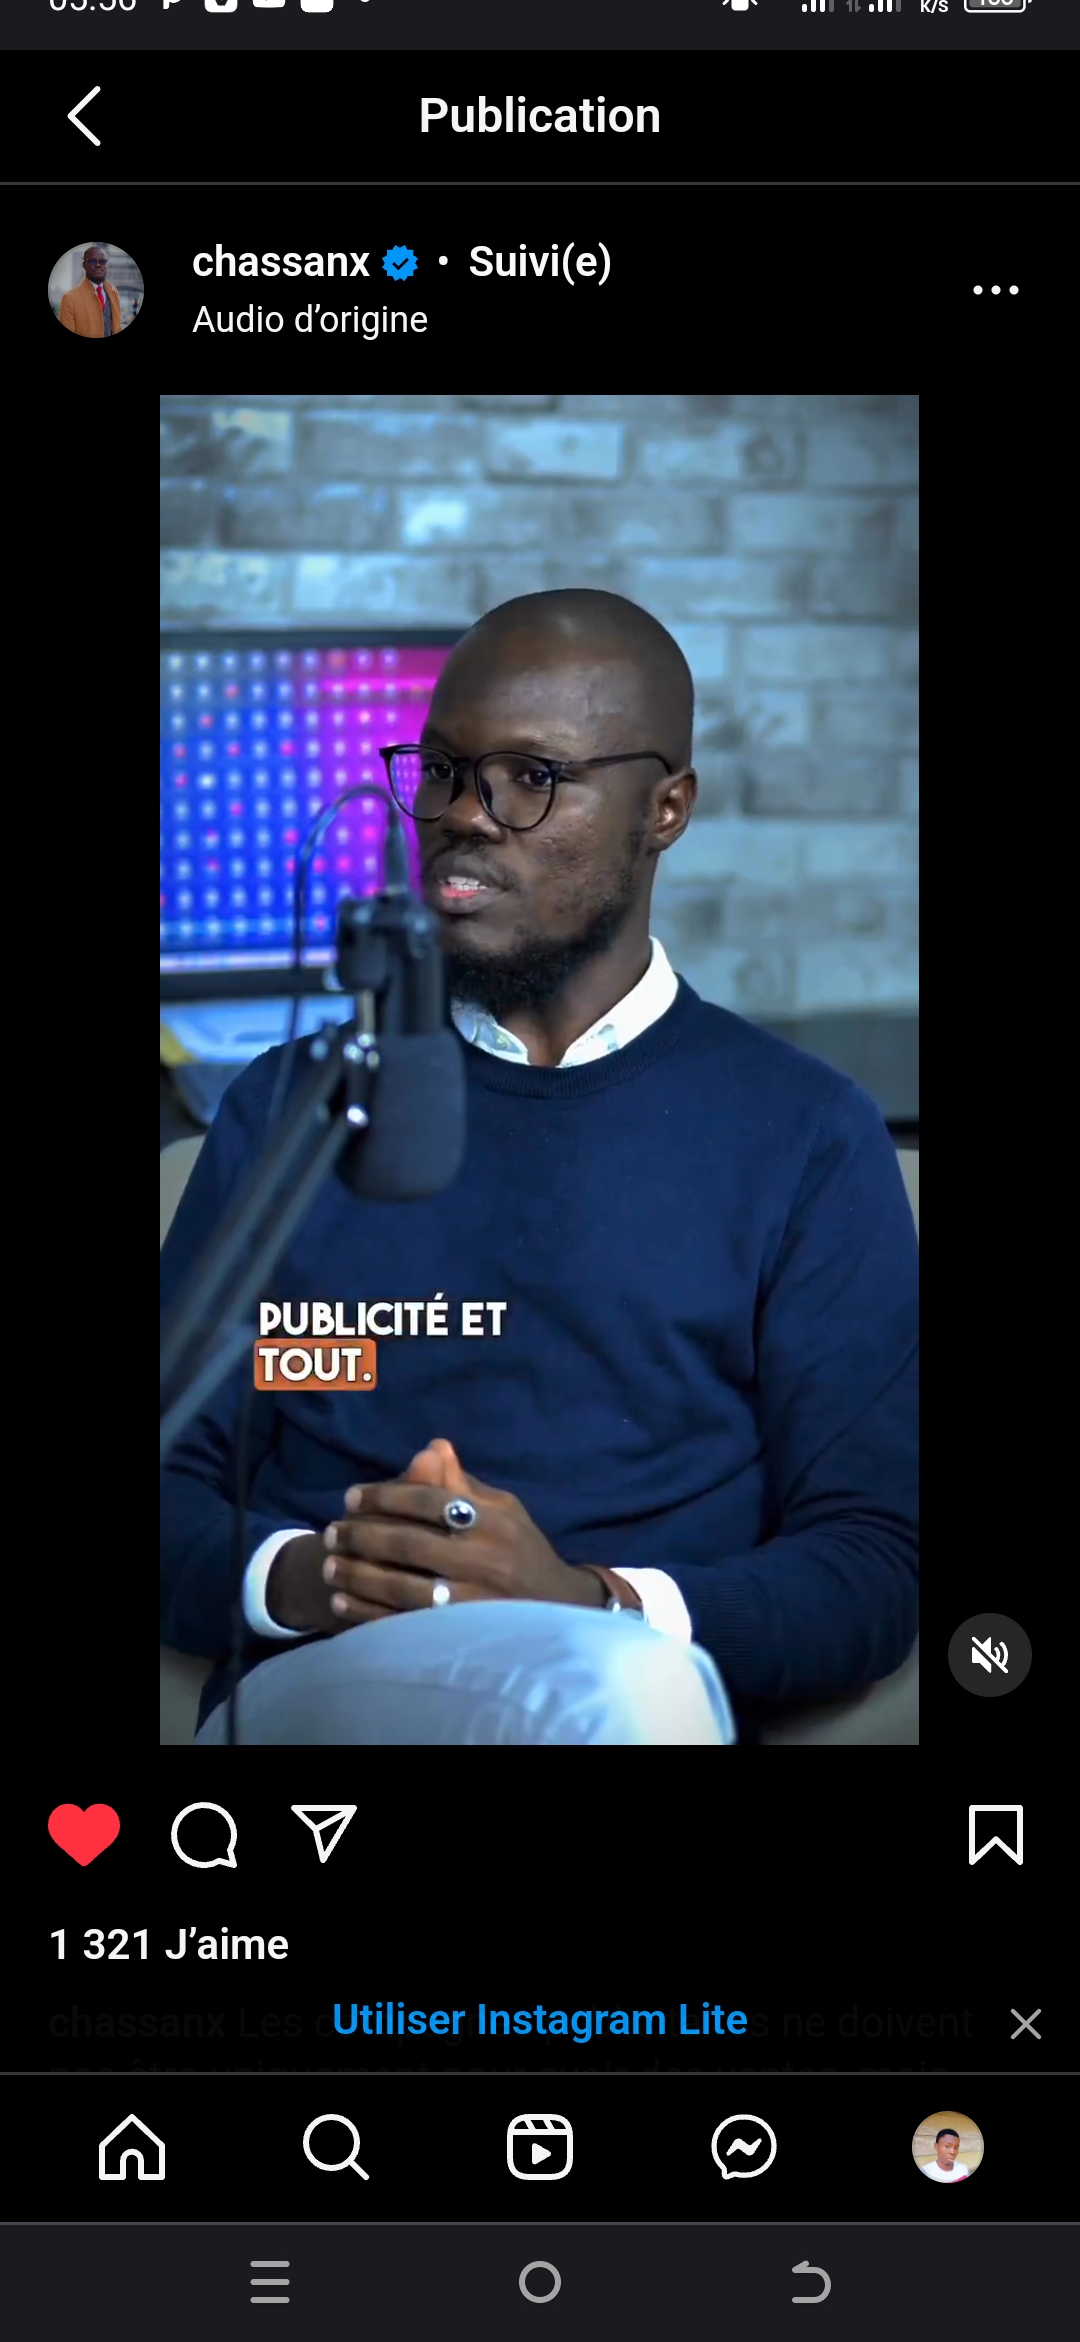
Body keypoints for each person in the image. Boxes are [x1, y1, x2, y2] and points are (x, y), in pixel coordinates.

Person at [160, 587, 919, 1744]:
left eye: (532, 777)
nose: (466, 815)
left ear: (665, 810)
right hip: (329, 1679)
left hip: (650, 1692)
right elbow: (171, 1480)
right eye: (443, 770)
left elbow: (872, 1567)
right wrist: (329, 1575)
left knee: (623, 1690)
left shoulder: (807, 1136)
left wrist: (588, 1602)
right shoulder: (291, 1110)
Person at [58, 246, 122, 337]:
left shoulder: (114, 293)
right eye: (92, 261)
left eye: (102, 261)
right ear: (84, 265)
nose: (98, 265)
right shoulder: (69, 298)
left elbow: (117, 327)